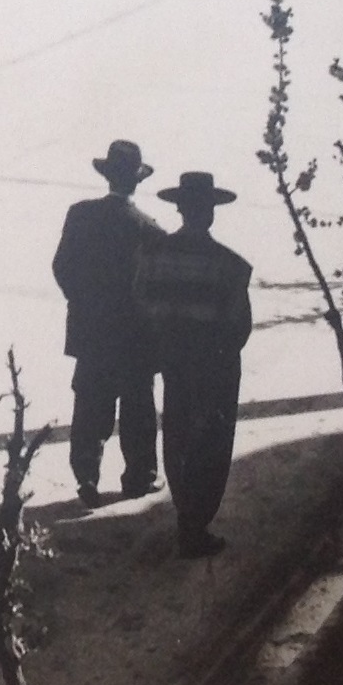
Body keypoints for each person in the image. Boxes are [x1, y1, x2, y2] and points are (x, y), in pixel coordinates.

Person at [136, 172, 252, 557]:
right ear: (211, 213)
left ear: (181, 209)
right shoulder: (231, 266)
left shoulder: (154, 256)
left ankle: (185, 509)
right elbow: (239, 325)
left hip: (173, 360)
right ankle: (195, 524)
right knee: (212, 443)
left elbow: (142, 306)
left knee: (177, 435)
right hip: (214, 364)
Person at [51, 141, 165, 508]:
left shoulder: (80, 215)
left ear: (107, 176)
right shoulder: (150, 229)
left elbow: (62, 267)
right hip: (135, 338)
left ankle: (86, 477)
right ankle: (139, 478)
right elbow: (156, 288)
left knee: (89, 407)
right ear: (137, 181)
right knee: (138, 410)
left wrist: (83, 303)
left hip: (92, 332)